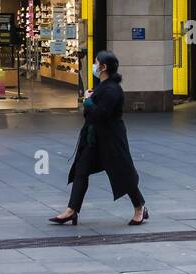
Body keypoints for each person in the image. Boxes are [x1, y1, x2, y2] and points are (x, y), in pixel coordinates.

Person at [50, 50, 147, 227]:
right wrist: (90, 100)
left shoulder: (112, 90)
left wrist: (88, 101)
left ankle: (139, 207)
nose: (94, 65)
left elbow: (99, 114)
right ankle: (72, 210)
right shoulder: (102, 86)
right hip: (94, 139)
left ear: (103, 67)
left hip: (110, 139)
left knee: (122, 172)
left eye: (96, 63)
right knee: (81, 169)